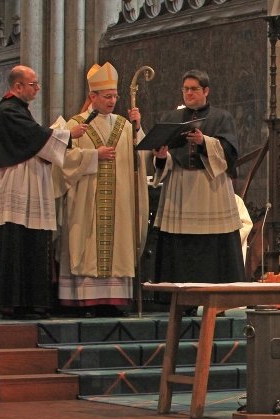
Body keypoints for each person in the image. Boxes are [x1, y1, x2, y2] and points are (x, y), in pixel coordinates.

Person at [0, 65, 87, 319]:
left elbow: (34, 138)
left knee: (27, 241)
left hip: (27, 183)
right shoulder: (9, 111)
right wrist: (68, 134)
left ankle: (27, 302)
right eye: (33, 84)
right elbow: (35, 137)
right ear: (17, 86)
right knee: (17, 242)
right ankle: (15, 303)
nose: (37, 88)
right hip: (18, 186)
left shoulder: (17, 110)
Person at [55, 62, 149, 317]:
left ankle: (113, 300)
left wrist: (138, 128)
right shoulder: (75, 126)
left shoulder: (125, 125)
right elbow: (62, 161)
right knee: (85, 244)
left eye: (115, 96)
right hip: (86, 200)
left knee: (118, 244)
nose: (112, 100)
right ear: (92, 97)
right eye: (107, 96)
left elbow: (140, 156)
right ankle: (86, 300)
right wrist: (93, 156)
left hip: (119, 200)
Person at [152, 69, 245, 298]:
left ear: (206, 90)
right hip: (180, 185)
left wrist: (205, 141)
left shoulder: (221, 118)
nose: (189, 93)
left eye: (194, 89)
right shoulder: (172, 118)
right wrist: (162, 156)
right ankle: (180, 298)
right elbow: (168, 156)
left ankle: (218, 297)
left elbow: (230, 154)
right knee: (181, 245)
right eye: (185, 89)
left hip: (210, 186)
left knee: (213, 245)